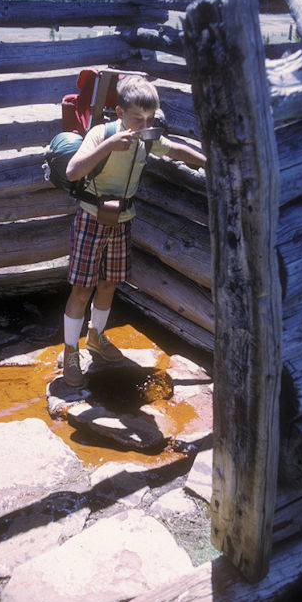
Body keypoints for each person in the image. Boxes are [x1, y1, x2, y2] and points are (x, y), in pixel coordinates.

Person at [61, 75, 206, 386]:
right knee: (82, 288)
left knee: (110, 283)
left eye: (149, 119)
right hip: (91, 217)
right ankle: (70, 351)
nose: (143, 125)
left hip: (122, 219)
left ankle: (96, 337)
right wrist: (110, 145)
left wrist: (209, 162)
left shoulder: (147, 139)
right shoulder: (102, 134)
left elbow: (177, 151)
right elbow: (74, 170)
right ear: (119, 112)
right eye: (137, 118)